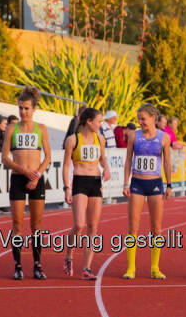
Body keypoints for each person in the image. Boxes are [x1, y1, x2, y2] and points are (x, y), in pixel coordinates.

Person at [2, 87, 53, 280]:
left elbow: (48, 156)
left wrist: (36, 175)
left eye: (26, 109)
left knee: (36, 225)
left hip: (36, 180)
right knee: (17, 224)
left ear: (34, 109)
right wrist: (24, 171)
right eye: (20, 108)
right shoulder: (11, 129)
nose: (23, 112)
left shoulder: (41, 129)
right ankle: (18, 265)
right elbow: (4, 157)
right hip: (17, 178)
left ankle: (38, 265)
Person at [122, 104, 173, 280]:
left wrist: (169, 185)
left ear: (153, 118)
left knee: (156, 228)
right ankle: (131, 268)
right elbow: (128, 159)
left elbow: (167, 162)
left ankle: (154, 267)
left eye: (143, 118)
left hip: (155, 185)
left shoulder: (164, 137)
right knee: (133, 226)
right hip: (137, 183)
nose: (140, 121)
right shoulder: (133, 135)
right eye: (138, 118)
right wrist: (125, 183)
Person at [62, 107, 111, 279]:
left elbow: (103, 158)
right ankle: (69, 255)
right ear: (89, 122)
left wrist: (106, 168)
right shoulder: (72, 140)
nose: (101, 124)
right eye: (99, 121)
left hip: (95, 183)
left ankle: (87, 268)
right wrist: (66, 187)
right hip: (80, 183)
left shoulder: (100, 138)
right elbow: (66, 165)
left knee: (93, 227)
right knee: (79, 225)